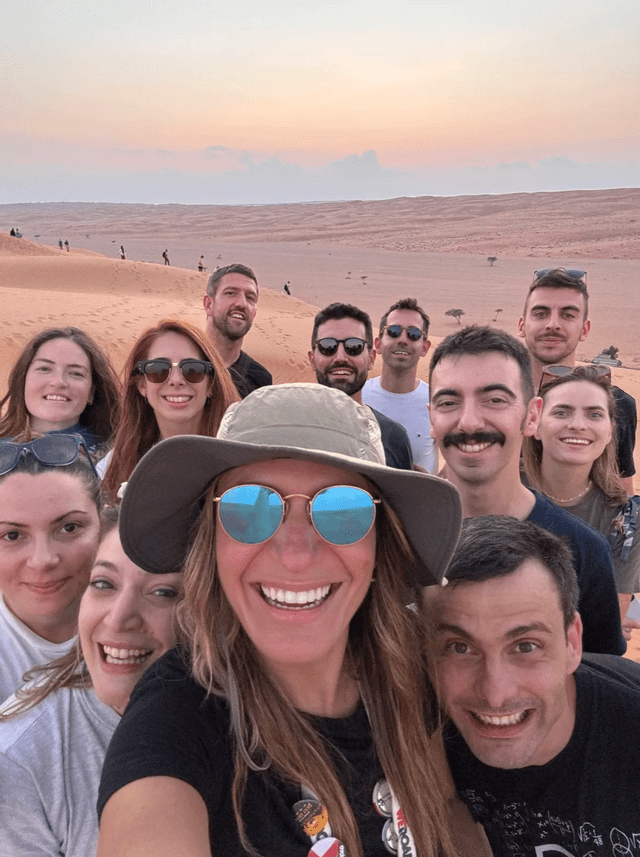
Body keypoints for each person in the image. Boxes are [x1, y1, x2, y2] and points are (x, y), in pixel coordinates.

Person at [96, 384, 489, 857]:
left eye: (342, 510)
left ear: (379, 541)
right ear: (211, 541)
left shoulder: (407, 671)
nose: (296, 555)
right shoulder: (176, 720)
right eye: (248, 508)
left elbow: (446, 810)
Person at [431, 515, 640, 857]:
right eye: (461, 648)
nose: (495, 694)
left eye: (526, 646)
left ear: (572, 643)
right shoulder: (420, 734)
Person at [429, 325, 625, 655]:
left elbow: (598, 675)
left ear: (531, 416)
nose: (470, 422)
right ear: (431, 419)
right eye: (448, 402)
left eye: (495, 400)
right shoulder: (398, 536)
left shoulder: (585, 552)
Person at [0, 505, 182, 856]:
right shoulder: (17, 758)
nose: (118, 619)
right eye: (103, 584)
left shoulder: (255, 721)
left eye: (163, 592)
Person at [523, 364, 640, 634]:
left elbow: (604, 628)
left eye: (594, 414)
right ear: (536, 424)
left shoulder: (625, 520)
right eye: (561, 412)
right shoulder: (500, 490)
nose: (577, 425)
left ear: (610, 432)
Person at [0, 434, 102, 703]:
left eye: (69, 528)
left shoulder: (152, 620)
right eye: (12, 535)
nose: (43, 560)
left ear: (104, 524)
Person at [518, 267, 637, 493]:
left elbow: (622, 494)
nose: (553, 324)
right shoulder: (496, 400)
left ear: (585, 329)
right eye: (541, 313)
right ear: (522, 326)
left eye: (568, 315)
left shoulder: (617, 404)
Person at [100, 319, 238, 501]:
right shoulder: (115, 465)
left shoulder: (239, 459)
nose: (176, 380)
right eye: (158, 370)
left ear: (211, 385)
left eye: (192, 369)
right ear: (142, 385)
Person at [308, 302, 413, 469]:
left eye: (354, 347)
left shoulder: (392, 437)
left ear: (371, 358)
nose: (340, 357)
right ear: (312, 359)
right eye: (328, 346)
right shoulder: (288, 430)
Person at [0, 326, 122, 457]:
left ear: (91, 392)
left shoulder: (116, 457)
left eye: (76, 373)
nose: (59, 382)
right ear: (23, 380)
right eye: (44, 369)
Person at [362, 297, 437, 473]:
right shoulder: (357, 397)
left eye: (414, 334)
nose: (403, 340)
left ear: (424, 347)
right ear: (378, 344)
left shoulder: (437, 402)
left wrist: (439, 482)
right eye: (394, 331)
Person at [203, 263, 272, 398]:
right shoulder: (179, 366)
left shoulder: (260, 381)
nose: (241, 303)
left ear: (254, 314)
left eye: (250, 297)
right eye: (230, 293)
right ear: (209, 305)